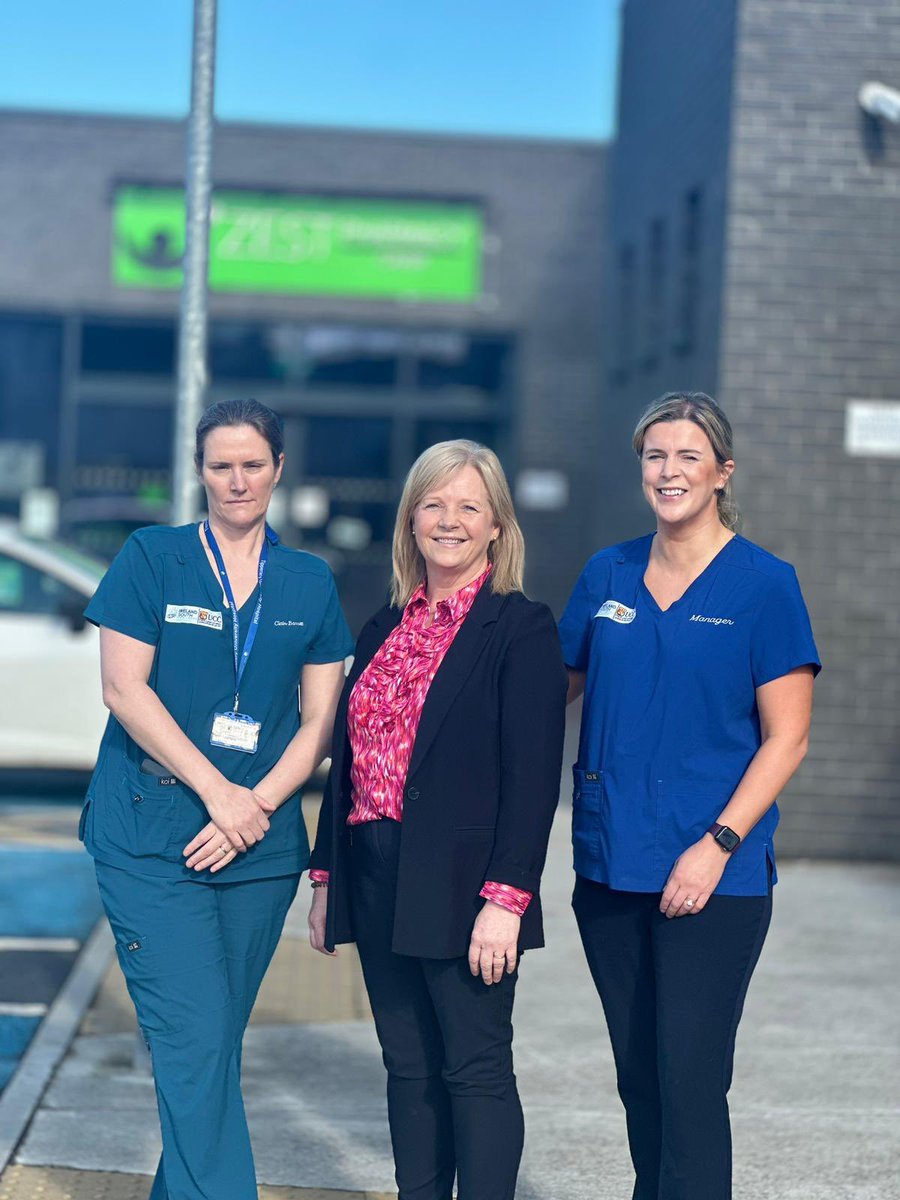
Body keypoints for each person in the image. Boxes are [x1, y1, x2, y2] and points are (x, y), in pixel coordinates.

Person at [79, 398, 353, 1200]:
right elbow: (123, 690)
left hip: (258, 853)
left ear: (278, 469)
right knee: (194, 1042)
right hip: (150, 835)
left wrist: (253, 807)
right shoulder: (152, 558)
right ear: (199, 471)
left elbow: (318, 724)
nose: (237, 480)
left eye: (253, 464)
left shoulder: (307, 580)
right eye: (220, 465)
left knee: (212, 1049)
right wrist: (218, 793)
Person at [559, 392, 820, 1200]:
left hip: (715, 877)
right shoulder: (607, 571)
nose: (668, 472)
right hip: (610, 867)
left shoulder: (765, 585)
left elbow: (788, 738)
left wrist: (718, 844)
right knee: (641, 1081)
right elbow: (544, 691)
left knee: (691, 1081)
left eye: (686, 457)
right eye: (654, 456)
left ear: (721, 472)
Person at [307, 440, 567, 1200]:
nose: (448, 521)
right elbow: (346, 757)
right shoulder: (383, 625)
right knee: (407, 1064)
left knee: (475, 1068)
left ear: (496, 527)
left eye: (467, 507)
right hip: (377, 867)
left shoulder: (521, 628)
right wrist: (327, 878)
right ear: (410, 518)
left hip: (465, 886)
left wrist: (506, 900)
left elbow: (531, 781)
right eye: (433, 504)